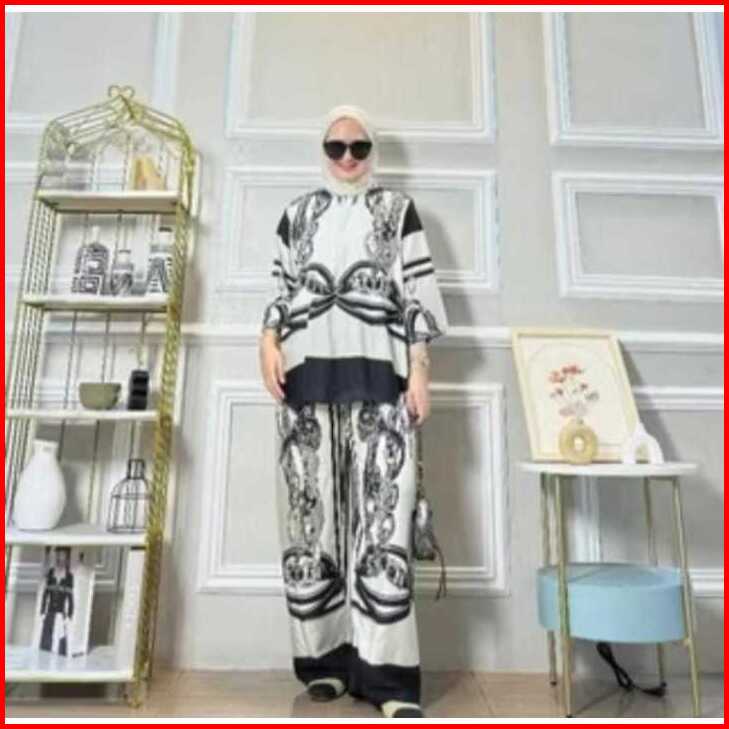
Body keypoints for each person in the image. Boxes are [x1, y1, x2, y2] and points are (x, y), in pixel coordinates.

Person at [259, 103, 449, 719]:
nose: (347, 158)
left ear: (373, 152)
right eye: (336, 147)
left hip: (380, 379)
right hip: (304, 382)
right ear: (323, 151)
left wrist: (420, 369)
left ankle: (388, 680)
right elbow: (281, 289)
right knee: (310, 522)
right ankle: (324, 663)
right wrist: (267, 342)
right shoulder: (296, 214)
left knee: (382, 524)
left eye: (359, 147)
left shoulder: (397, 211)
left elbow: (417, 293)